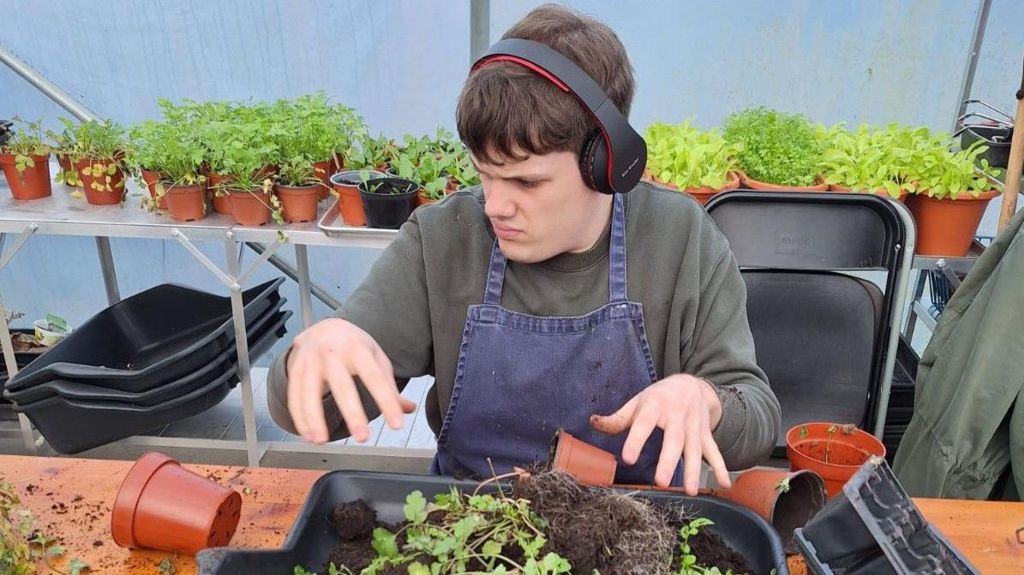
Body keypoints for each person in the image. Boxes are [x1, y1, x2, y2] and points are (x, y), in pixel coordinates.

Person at [269, 4, 780, 494]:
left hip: (632, 526)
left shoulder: (680, 239)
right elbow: (310, 412)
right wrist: (308, 359)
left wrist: (707, 400)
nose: (495, 206)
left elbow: (756, 413)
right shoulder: (443, 239)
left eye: (527, 183)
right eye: (484, 175)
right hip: (470, 527)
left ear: (606, 166)